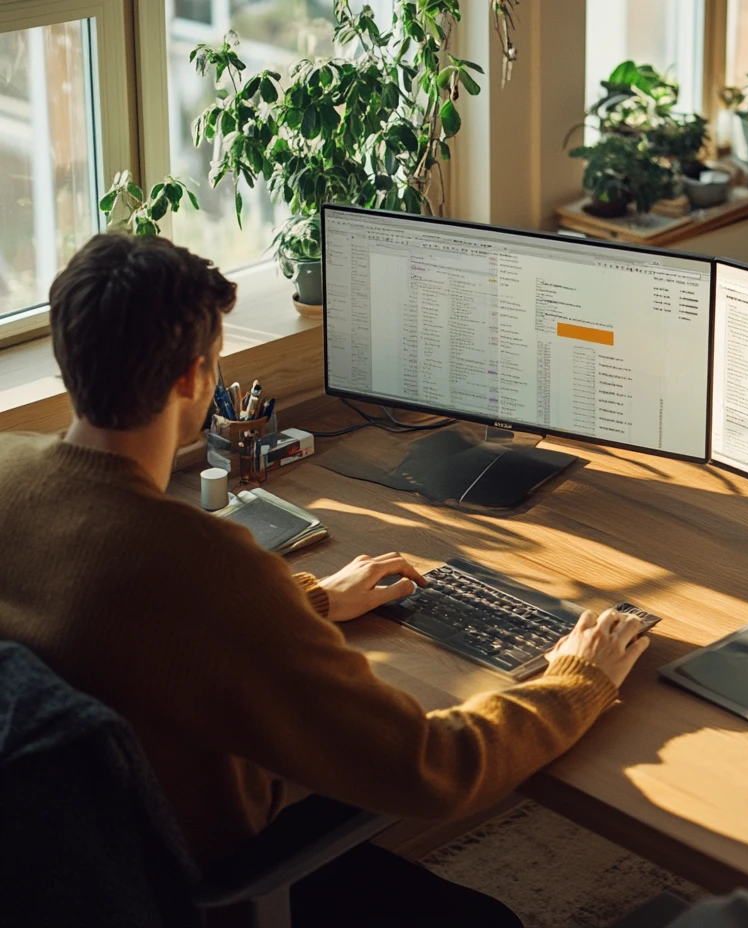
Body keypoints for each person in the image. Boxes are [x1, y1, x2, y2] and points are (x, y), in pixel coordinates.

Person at [0, 233, 650, 925]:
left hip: (50, 876)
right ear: (193, 379)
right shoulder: (208, 565)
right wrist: (581, 679)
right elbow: (433, 768)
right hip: (189, 886)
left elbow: (118, 624)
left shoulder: (9, 474)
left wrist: (305, 599)